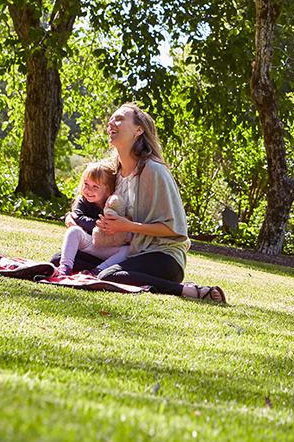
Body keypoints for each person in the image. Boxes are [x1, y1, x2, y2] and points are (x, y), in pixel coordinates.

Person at [88, 102, 226, 303]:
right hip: (131, 252)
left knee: (109, 277)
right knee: (60, 258)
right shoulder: (115, 172)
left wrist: (127, 226)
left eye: (119, 119)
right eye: (111, 118)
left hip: (164, 256)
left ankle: (189, 290)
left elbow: (175, 229)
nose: (111, 122)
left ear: (138, 130)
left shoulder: (153, 170)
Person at [53, 161, 131, 278]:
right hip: (90, 243)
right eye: (86, 184)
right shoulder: (82, 201)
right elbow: (77, 217)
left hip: (109, 249)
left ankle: (97, 271)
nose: (89, 190)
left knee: (127, 250)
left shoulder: (114, 203)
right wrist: (101, 225)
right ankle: (65, 268)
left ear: (108, 189)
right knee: (74, 231)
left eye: (95, 187)